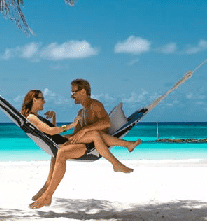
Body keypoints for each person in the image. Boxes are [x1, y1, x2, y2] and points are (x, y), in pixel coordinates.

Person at [29, 79, 142, 209]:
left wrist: (85, 129)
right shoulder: (81, 113)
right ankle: (46, 187)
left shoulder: (95, 105)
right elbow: (77, 135)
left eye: (74, 92)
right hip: (82, 145)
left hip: (92, 147)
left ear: (83, 91)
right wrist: (63, 136)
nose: (72, 96)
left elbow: (106, 123)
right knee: (57, 150)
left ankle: (47, 196)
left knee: (80, 141)